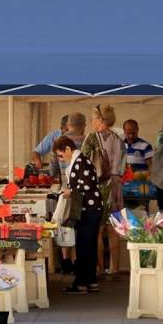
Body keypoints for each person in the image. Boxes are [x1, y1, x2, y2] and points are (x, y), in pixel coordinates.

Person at [53, 135, 102, 294]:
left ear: (67, 149)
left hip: (88, 208)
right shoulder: (81, 161)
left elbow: (86, 185)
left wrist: (70, 191)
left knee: (84, 245)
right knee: (88, 245)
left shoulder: (80, 162)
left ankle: (81, 283)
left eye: (61, 155)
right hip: (89, 207)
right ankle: (90, 280)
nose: (61, 159)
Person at [82, 104, 126, 274]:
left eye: (93, 118)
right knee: (114, 229)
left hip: (99, 186)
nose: (91, 122)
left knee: (97, 229)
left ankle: (99, 268)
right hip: (117, 186)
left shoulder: (92, 138)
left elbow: (84, 162)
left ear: (101, 120)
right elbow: (123, 164)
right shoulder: (119, 138)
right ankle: (114, 268)